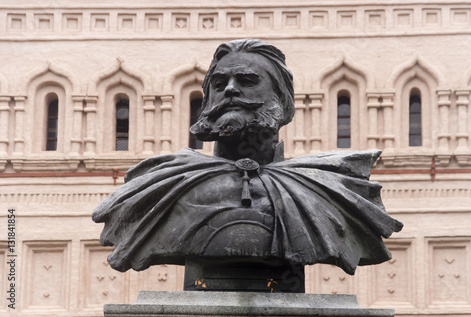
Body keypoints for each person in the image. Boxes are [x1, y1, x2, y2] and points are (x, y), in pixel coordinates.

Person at [92, 39, 403, 292]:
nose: (229, 89)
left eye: (246, 80)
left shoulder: (334, 187)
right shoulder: (157, 184)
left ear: (281, 100)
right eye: (219, 83)